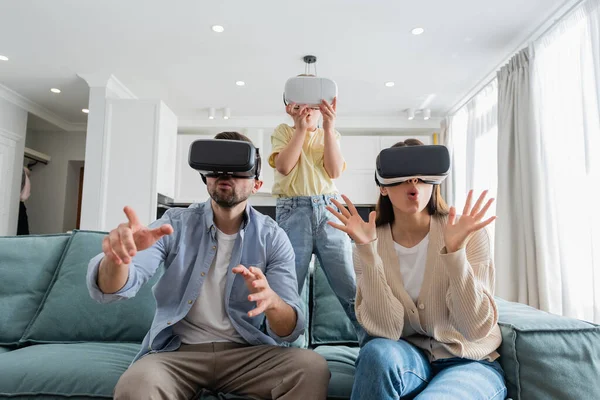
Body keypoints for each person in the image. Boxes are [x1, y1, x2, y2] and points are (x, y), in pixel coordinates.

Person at [86, 132, 330, 400]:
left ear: (257, 184)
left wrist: (272, 302)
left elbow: (288, 330)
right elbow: (113, 288)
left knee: (311, 367)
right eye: (216, 167)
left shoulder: (272, 237)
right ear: (205, 177)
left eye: (238, 169)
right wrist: (117, 259)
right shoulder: (174, 224)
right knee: (136, 384)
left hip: (246, 354)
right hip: (177, 354)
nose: (226, 173)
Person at [327, 139, 507, 399]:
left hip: (469, 362)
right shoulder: (368, 241)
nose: (413, 183)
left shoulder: (468, 233)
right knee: (376, 353)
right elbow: (386, 330)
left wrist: (455, 254)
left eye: (422, 177)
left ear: (435, 182)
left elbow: (475, 328)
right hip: (409, 358)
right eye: (402, 177)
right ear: (384, 187)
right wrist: (367, 252)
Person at [269, 95, 363, 340]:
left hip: (329, 210)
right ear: (290, 107)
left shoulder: (331, 135)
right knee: (286, 291)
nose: (307, 111)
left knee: (349, 288)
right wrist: (299, 129)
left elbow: (333, 171)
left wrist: (329, 128)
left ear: (323, 110)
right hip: (293, 212)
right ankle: (281, 354)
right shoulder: (283, 131)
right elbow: (284, 166)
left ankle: (372, 344)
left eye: (313, 106)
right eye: (301, 105)